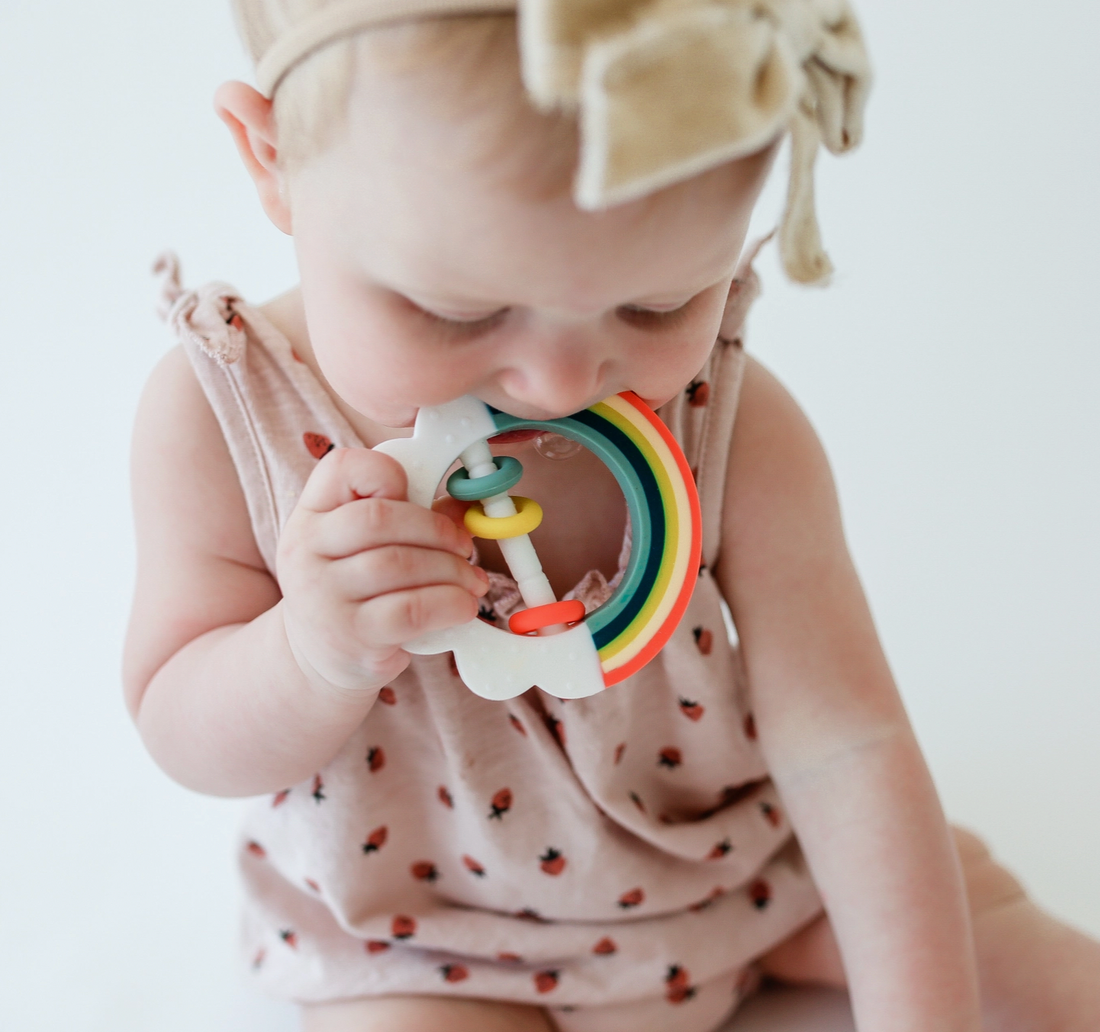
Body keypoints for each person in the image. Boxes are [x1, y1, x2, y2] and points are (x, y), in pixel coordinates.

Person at [123, 2, 1100, 1030]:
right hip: (433, 945)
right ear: (273, 157)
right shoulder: (221, 422)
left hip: (749, 872)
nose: (560, 381)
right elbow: (180, 728)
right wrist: (308, 651)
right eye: (457, 311)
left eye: (657, 303)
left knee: (972, 926)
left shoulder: (731, 425)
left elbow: (846, 749)